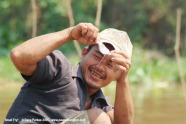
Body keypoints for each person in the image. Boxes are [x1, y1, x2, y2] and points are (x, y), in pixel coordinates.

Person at [5, 23, 134, 124]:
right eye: (97, 56)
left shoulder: (102, 105)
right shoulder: (58, 69)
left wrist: (123, 81)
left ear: (116, 73)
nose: (100, 67)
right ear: (84, 53)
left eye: (110, 64)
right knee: (99, 119)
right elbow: (18, 56)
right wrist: (69, 34)